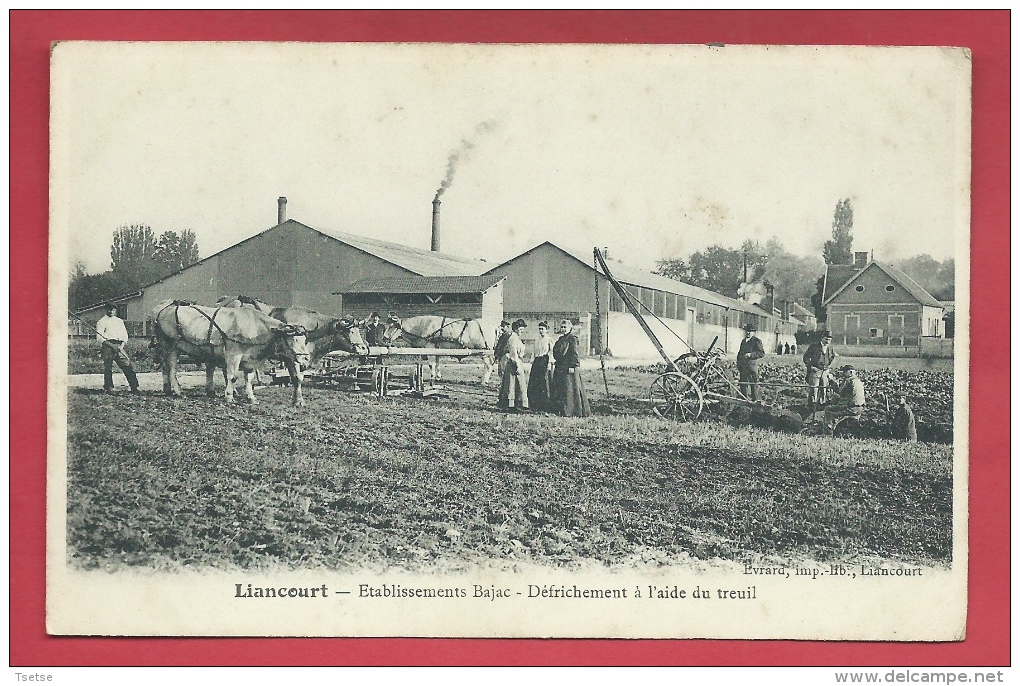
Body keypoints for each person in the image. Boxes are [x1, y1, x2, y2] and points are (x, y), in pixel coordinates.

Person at [551, 319, 591, 417]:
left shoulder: (572, 339)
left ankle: (571, 410)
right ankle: (561, 409)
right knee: (561, 389)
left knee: (570, 389)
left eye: (565, 327)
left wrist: (573, 366)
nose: (564, 329)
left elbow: (574, 353)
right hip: (560, 367)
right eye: (562, 327)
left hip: (569, 368)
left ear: (570, 328)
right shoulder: (560, 339)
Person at [96, 302, 140, 393]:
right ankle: (109, 387)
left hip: (119, 345)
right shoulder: (101, 321)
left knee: (127, 365)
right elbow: (100, 338)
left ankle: (134, 387)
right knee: (108, 367)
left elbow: (125, 336)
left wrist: (121, 346)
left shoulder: (119, 321)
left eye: (113, 309)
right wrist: (112, 346)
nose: (111, 311)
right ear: (106, 310)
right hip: (108, 345)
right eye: (109, 309)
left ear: (115, 310)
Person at [498, 319, 529, 412]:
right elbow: (513, 353)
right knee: (512, 384)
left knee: (518, 384)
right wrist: (517, 366)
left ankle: (517, 404)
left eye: (523, 329)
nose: (522, 331)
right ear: (515, 329)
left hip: (518, 362)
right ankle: (511, 404)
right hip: (513, 364)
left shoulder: (517, 338)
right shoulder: (513, 338)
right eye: (520, 329)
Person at [803, 331, 837, 411]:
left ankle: (821, 406)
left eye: (829, 340)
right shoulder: (813, 346)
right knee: (814, 389)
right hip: (815, 371)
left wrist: (828, 365)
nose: (827, 341)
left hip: (824, 371)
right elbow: (806, 357)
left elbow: (832, 356)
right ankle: (811, 406)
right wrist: (811, 366)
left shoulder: (830, 348)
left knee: (824, 389)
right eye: (826, 339)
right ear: (822, 338)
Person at [528, 321, 553, 411]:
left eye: (542, 329)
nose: (541, 331)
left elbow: (551, 352)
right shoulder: (537, 339)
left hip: (544, 360)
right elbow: (534, 351)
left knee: (544, 382)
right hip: (537, 361)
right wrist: (532, 359)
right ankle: (535, 402)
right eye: (539, 329)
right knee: (534, 382)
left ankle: (545, 403)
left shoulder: (549, 339)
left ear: (547, 330)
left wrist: (550, 363)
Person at [736, 323, 765, 401]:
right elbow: (740, 353)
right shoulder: (743, 341)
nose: (748, 333)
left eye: (750, 331)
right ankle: (744, 401)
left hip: (751, 367)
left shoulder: (756, 341)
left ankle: (755, 402)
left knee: (753, 386)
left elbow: (761, 353)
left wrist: (751, 355)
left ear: (754, 332)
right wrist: (738, 364)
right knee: (743, 385)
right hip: (743, 367)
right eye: (747, 331)